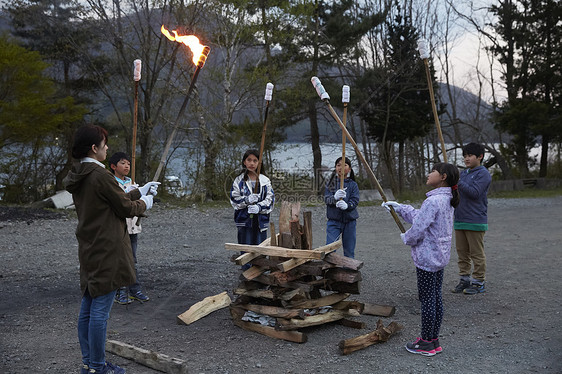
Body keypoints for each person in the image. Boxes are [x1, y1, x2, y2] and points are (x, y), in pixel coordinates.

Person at [64, 124, 159, 374]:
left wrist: (141, 189)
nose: (107, 148)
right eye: (104, 144)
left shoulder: (82, 173)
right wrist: (145, 203)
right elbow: (125, 208)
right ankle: (97, 366)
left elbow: (113, 199)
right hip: (108, 248)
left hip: (90, 246)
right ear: (94, 148)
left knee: (88, 305)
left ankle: (89, 363)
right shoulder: (100, 174)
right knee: (100, 312)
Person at [382, 162, 460, 357]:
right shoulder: (447, 199)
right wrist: (400, 208)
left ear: (443, 177)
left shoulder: (434, 201)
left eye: (433, 171)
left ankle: (426, 342)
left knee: (427, 300)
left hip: (427, 257)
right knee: (435, 297)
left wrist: (406, 238)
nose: (429, 174)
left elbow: (419, 227)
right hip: (439, 256)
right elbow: (420, 217)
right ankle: (434, 340)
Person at [109, 152, 150, 305]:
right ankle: (120, 290)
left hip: (133, 227)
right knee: (120, 259)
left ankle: (134, 289)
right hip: (119, 229)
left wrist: (145, 196)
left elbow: (139, 204)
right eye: (122, 163)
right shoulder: (111, 183)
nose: (127, 166)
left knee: (133, 259)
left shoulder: (133, 183)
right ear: (113, 166)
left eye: (128, 163)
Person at [451, 143, 492, 295]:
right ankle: (464, 279)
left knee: (476, 254)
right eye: (465, 156)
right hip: (460, 218)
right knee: (462, 253)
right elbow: (457, 192)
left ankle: (478, 281)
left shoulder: (484, 174)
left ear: (480, 157)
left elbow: (474, 192)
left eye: (470, 156)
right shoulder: (464, 173)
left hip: (475, 220)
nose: (466, 159)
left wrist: (457, 181)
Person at [230, 149, 275, 261]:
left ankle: (260, 270)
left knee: (260, 246)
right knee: (246, 246)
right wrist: (247, 200)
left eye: (255, 160)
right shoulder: (239, 181)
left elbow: (270, 199)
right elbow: (234, 199)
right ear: (244, 162)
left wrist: (259, 207)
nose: (252, 163)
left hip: (260, 220)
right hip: (244, 220)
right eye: (249, 160)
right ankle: (246, 268)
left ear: (259, 163)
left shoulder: (265, 181)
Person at [324, 157, 359, 258]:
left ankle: (349, 271)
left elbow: (355, 200)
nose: (341, 167)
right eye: (338, 165)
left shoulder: (353, 185)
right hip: (334, 221)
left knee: (349, 249)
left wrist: (347, 206)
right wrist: (334, 198)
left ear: (349, 169)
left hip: (350, 221)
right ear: (335, 168)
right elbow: (326, 199)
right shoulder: (331, 184)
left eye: (344, 165)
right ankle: (330, 271)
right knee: (330, 248)